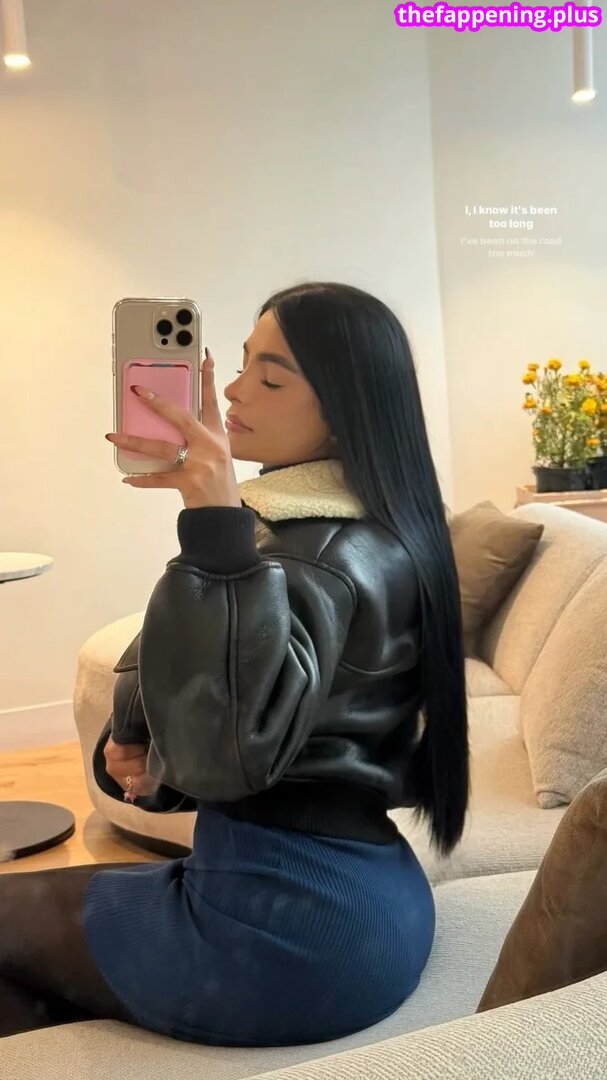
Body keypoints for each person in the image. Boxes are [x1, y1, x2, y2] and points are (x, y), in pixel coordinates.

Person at [0, 281, 469, 1045]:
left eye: (271, 379)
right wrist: (146, 758)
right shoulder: (380, 529)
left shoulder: (311, 556)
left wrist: (214, 526)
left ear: (344, 410)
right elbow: (285, 735)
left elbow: (224, 755)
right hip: (368, 902)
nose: (234, 390)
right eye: (242, 362)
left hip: (281, 933)